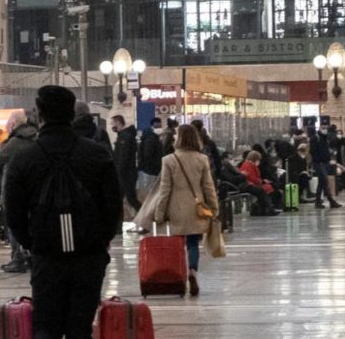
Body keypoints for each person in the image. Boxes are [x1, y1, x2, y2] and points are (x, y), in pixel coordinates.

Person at [4, 85, 122, 339]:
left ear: (39, 114)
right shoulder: (97, 155)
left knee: (46, 325)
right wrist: (98, 243)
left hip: (47, 257)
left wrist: (33, 244)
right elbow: (114, 211)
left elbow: (12, 214)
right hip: (87, 258)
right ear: (73, 115)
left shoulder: (24, 158)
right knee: (79, 332)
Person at [154, 125, 220, 297]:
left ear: (180, 138)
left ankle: (179, 276)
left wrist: (160, 213)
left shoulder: (168, 160)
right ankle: (193, 271)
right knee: (192, 244)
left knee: (177, 245)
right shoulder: (202, 159)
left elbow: (165, 189)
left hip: (175, 209)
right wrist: (214, 207)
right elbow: (208, 186)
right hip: (196, 208)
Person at [0, 110, 37, 273]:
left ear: (14, 124)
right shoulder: (33, 138)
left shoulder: (16, 141)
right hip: (32, 191)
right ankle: (30, 256)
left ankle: (18, 259)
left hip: (14, 191)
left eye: (8, 124)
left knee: (13, 225)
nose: (7, 127)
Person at [219, 151, 277, 216]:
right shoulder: (225, 169)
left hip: (243, 185)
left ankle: (265, 210)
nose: (232, 160)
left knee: (261, 190)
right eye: (230, 159)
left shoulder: (231, 168)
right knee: (261, 190)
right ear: (224, 159)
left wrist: (242, 175)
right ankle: (266, 210)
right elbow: (233, 180)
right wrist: (243, 175)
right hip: (239, 186)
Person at [112, 115, 141, 214]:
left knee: (131, 198)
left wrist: (118, 172)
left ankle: (145, 220)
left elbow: (123, 157)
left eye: (113, 123)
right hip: (126, 173)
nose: (112, 125)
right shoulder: (124, 136)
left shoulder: (124, 137)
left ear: (118, 122)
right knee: (121, 199)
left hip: (126, 174)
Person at [309, 125, 342, 209]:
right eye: (323, 128)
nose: (325, 130)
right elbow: (312, 151)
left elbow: (326, 149)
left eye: (326, 128)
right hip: (319, 163)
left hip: (325, 163)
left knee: (321, 183)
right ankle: (331, 201)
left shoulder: (325, 138)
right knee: (325, 181)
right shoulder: (316, 138)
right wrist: (318, 159)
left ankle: (318, 202)